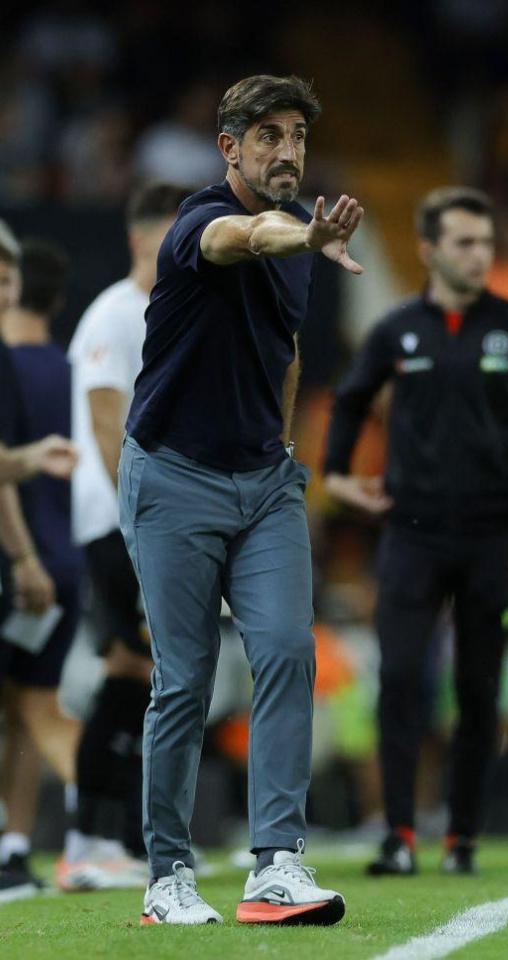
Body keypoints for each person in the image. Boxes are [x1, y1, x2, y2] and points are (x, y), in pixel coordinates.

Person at [118, 73, 364, 927]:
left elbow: (286, 351)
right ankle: (167, 877)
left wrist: (285, 448)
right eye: (268, 136)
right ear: (230, 149)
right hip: (174, 476)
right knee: (184, 680)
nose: (287, 149)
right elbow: (241, 237)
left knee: (289, 650)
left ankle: (276, 865)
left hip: (264, 483)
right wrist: (295, 240)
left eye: (296, 133)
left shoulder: (298, 236)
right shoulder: (198, 224)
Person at [323, 186, 508, 877]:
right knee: (399, 679)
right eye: (465, 243)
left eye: (485, 243)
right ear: (428, 249)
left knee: (479, 689)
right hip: (412, 534)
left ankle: (462, 837)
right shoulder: (397, 331)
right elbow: (352, 399)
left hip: (492, 535)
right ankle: (398, 835)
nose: (480, 256)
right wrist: (333, 474)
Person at [58, 182, 188, 891]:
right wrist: (144, 527)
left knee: (139, 671)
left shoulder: (163, 311)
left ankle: (117, 839)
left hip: (137, 517)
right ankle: (87, 840)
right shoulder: (114, 314)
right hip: (114, 516)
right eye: (175, 233)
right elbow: (109, 425)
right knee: (132, 669)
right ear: (142, 239)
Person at [0, 239, 83, 897]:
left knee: (25, 712)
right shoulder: (68, 367)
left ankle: (98, 827)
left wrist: (23, 555)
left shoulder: (11, 364)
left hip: (22, 557)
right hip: (65, 554)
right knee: (34, 711)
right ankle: (22, 845)